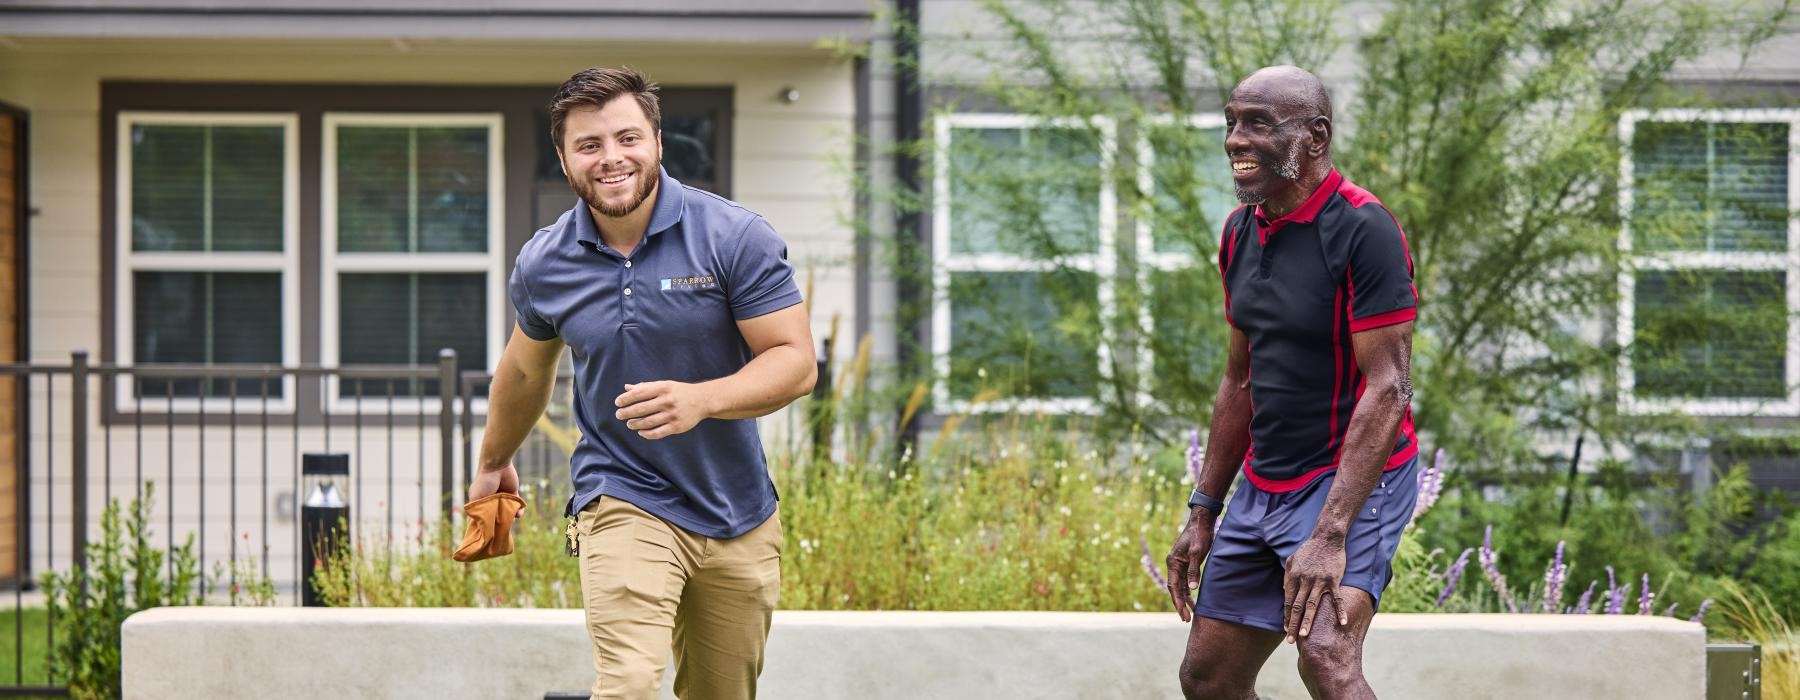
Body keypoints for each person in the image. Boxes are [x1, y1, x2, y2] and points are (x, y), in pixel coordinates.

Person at [468, 67, 816, 700]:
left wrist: (703, 399)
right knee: (627, 683)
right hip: (623, 494)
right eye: (589, 145)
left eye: (626, 138)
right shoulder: (546, 261)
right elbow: (524, 368)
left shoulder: (733, 237)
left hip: (737, 510)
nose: (611, 158)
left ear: (657, 140)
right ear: (564, 158)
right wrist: (494, 461)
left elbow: (795, 362)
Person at [1165, 65, 1420, 700]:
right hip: (1264, 483)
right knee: (1210, 679)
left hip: (1353, 480)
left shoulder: (1365, 228)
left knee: (1327, 657)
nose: (1234, 140)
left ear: (1315, 136)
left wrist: (1331, 531)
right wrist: (1204, 510)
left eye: (1258, 123)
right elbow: (1239, 378)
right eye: (1231, 122)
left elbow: (1389, 386)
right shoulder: (1238, 233)